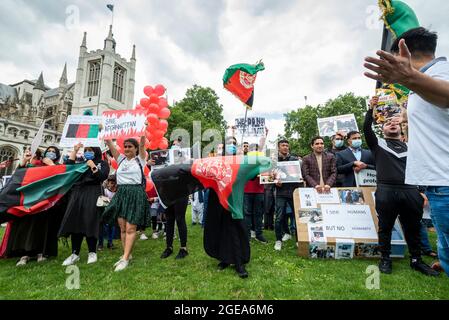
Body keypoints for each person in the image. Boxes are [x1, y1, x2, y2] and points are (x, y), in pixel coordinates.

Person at [364, 27, 449, 276]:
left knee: (416, 228)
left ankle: (417, 258)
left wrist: (409, 77)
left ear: (405, 53)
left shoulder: (440, 74)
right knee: (441, 239)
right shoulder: (421, 87)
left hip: (442, 184)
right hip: (432, 184)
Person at [363, 96, 437, 276]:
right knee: (386, 226)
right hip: (386, 190)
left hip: (410, 190)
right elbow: (366, 128)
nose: (392, 124)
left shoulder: (412, 147)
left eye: (394, 122)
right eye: (387, 123)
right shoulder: (378, 145)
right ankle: (385, 259)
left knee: (413, 226)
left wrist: (421, 191)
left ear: (401, 127)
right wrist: (371, 109)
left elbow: (421, 168)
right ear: (382, 130)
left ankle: (416, 260)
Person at [2, 146, 65, 266]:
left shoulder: (57, 165)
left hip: (45, 203)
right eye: (49, 151)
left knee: (42, 228)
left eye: (53, 152)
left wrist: (51, 164)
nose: (51, 153)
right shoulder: (35, 165)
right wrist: (24, 161)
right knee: (26, 227)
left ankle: (41, 253)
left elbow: (60, 178)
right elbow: (19, 176)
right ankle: (24, 254)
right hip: (29, 202)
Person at [203, 136, 250, 278]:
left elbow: (251, 175)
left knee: (235, 228)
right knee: (220, 227)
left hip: (233, 199)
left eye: (234, 144)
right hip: (217, 198)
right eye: (229, 143)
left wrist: (243, 161)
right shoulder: (217, 159)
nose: (232, 146)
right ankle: (223, 258)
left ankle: (238, 261)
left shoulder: (240, 160)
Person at [103, 135, 151, 271]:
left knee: (131, 228)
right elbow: (111, 146)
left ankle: (124, 259)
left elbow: (142, 146)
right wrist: (106, 136)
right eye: (125, 146)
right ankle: (127, 254)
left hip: (135, 194)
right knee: (123, 227)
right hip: (122, 194)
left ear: (135, 149)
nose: (127, 149)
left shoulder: (140, 160)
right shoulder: (121, 159)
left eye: (130, 146)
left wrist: (142, 137)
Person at [59, 144, 109, 266]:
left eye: (90, 150)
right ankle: (74, 253)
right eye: (85, 150)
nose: (87, 152)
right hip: (78, 195)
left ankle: (92, 252)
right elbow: (69, 168)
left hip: (93, 194)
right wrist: (75, 150)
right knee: (76, 222)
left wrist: (93, 167)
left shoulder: (102, 163)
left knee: (90, 221)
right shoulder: (80, 163)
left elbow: (102, 177)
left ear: (96, 151)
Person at [160, 141, 189, 260]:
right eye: (173, 144)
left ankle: (183, 248)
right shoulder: (164, 160)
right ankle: (169, 247)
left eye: (177, 145)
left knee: (180, 218)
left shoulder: (185, 160)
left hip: (181, 192)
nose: (175, 146)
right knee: (170, 219)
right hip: (168, 192)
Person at [273, 139, 300, 251]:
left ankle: (299, 240)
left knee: (297, 217)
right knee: (279, 218)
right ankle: (278, 240)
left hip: (293, 192)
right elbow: (269, 176)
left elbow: (298, 174)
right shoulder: (273, 161)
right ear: (278, 147)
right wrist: (274, 181)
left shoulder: (294, 159)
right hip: (281, 192)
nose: (285, 147)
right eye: (283, 145)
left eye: (287, 145)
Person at [98, 175, 117, 250]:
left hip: (112, 212)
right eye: (110, 183)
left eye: (113, 183)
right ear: (108, 183)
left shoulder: (117, 192)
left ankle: (110, 242)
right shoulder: (105, 191)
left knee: (111, 227)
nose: (111, 185)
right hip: (105, 211)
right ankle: (100, 244)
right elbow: (102, 200)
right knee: (102, 228)